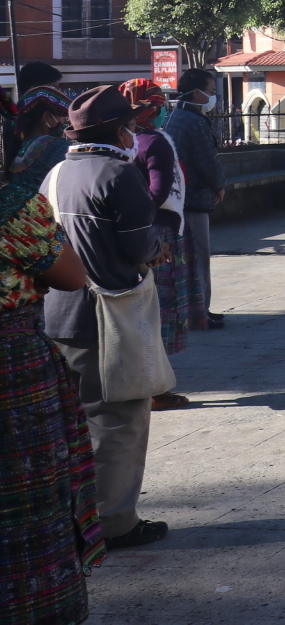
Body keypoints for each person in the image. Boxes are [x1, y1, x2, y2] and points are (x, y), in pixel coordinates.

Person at [41, 86, 167, 550]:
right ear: (119, 130)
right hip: (108, 313)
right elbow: (139, 245)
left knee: (79, 424)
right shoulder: (119, 174)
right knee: (119, 420)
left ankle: (79, 517)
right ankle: (114, 523)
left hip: (58, 315)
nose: (134, 133)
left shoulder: (54, 174)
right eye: (131, 126)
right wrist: (158, 247)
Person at [0, 153, 103, 625]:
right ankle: (31, 613)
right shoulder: (13, 207)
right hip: (11, 367)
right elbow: (70, 275)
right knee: (25, 485)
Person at [119, 80, 194, 410]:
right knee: (157, 312)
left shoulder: (125, 140)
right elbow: (159, 190)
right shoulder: (154, 141)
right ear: (148, 108)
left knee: (139, 312)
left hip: (130, 232)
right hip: (156, 233)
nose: (164, 110)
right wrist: (143, 227)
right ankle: (155, 389)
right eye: (159, 104)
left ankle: (148, 384)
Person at [163, 68, 224, 329]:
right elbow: (207, 161)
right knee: (199, 256)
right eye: (210, 91)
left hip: (179, 198)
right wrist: (219, 186)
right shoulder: (195, 121)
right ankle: (202, 311)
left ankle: (191, 309)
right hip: (195, 197)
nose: (212, 96)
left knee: (185, 258)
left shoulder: (176, 116)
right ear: (197, 92)